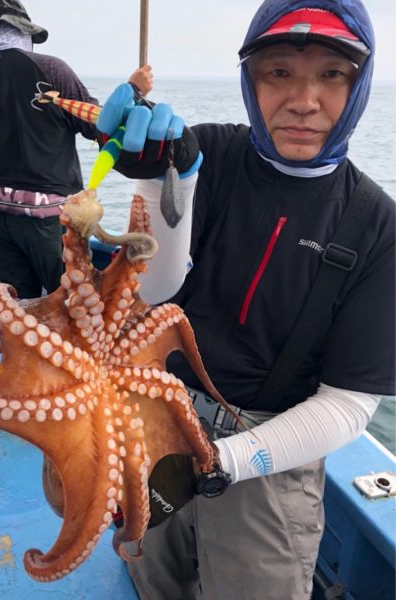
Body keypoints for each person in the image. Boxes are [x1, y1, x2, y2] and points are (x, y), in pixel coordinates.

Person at [94, 0, 395, 599]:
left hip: (270, 455)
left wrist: (226, 461)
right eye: (278, 71)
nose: (304, 100)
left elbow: (347, 405)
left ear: (358, 87)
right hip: (161, 423)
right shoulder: (209, 156)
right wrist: (157, 181)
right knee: (149, 579)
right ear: (250, 80)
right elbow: (156, 292)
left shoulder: (378, 227)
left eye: (332, 75)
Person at [0, 0, 152, 299]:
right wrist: (133, 91)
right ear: (26, 32)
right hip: (49, 221)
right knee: (75, 309)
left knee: (9, 310)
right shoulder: (51, 69)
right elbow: (99, 126)